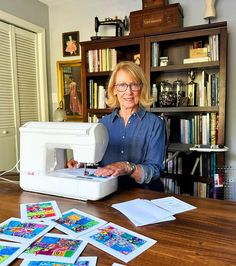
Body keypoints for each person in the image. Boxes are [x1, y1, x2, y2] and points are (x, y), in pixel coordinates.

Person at [68, 61, 166, 191]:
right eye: (122, 85)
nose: (128, 92)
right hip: (108, 192)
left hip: (144, 193)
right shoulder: (102, 124)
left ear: (141, 88)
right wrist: (80, 162)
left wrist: (126, 167)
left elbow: (155, 170)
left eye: (134, 85)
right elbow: (98, 163)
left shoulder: (155, 124)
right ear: (114, 89)